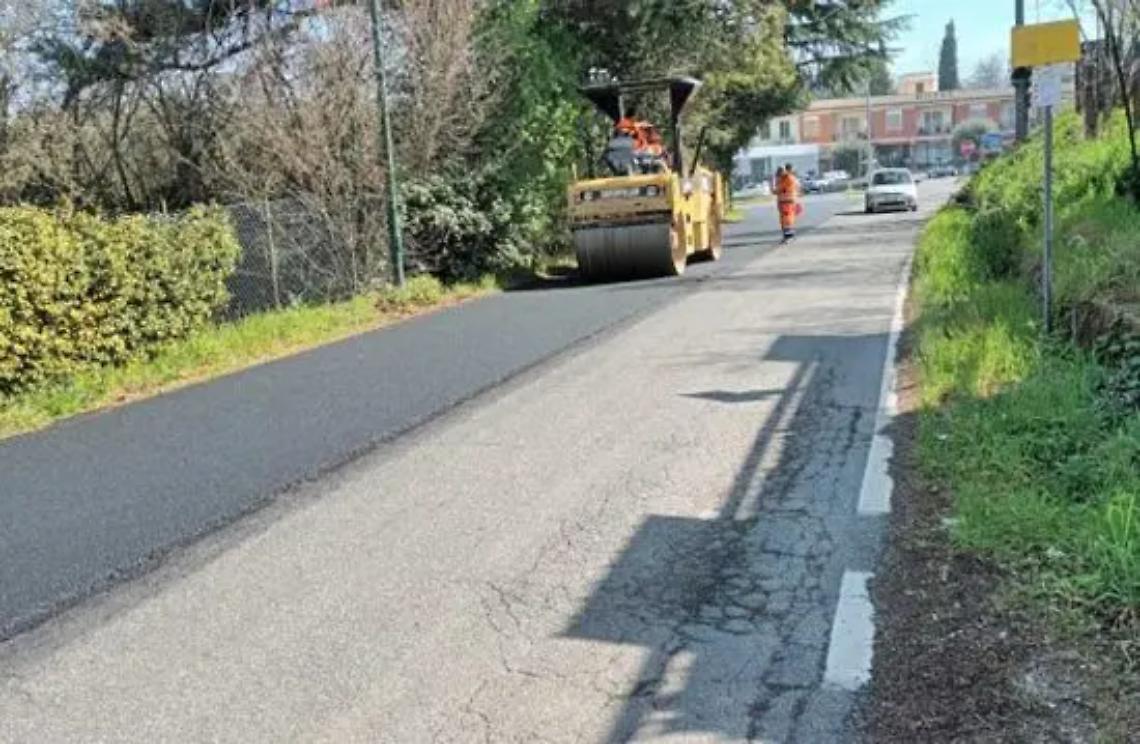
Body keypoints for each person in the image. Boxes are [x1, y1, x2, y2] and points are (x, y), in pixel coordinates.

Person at [774, 163, 800, 241]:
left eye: (780, 172)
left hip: (787, 201)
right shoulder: (783, 178)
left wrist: (776, 190)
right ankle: (787, 234)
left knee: (787, 218)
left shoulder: (787, 178)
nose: (778, 173)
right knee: (784, 219)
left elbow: (779, 189)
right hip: (784, 201)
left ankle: (789, 235)